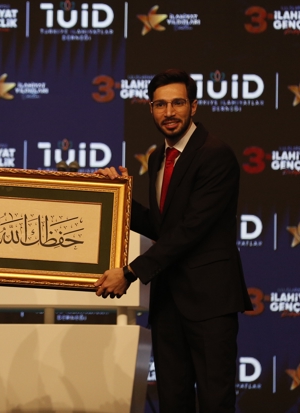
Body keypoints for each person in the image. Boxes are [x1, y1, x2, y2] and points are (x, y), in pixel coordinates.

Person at [95, 69, 252, 413]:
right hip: (168, 304)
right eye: (160, 105)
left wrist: (130, 273)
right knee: (172, 402)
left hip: (209, 303)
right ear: (151, 109)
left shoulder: (215, 154)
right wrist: (117, 196)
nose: (169, 112)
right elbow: (162, 227)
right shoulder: (158, 158)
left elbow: (190, 230)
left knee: (214, 403)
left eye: (177, 103)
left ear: (193, 106)